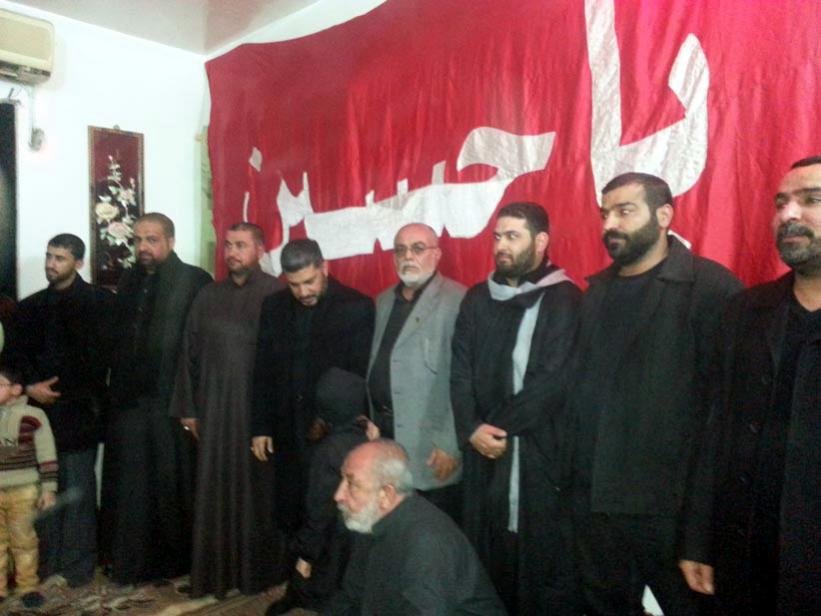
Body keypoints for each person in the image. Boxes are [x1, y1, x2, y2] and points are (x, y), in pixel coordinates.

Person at [567, 172, 742, 616]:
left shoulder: (711, 288)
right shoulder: (595, 294)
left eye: (625, 211)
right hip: (597, 505)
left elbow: (725, 414)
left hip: (670, 513)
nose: (610, 224)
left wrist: (701, 529)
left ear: (664, 216)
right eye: (605, 213)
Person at [680, 156, 821, 615]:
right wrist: (698, 538)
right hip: (747, 557)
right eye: (781, 203)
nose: (789, 214)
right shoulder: (746, 311)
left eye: (811, 199)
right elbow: (714, 430)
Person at [450, 202, 581, 614]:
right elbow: (460, 370)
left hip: (536, 450)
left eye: (512, 236)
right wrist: (471, 429)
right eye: (497, 237)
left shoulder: (564, 299)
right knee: (484, 548)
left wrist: (496, 430)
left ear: (540, 241)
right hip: (482, 449)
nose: (501, 246)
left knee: (533, 560)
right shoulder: (477, 298)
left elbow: (552, 382)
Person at [169, 223, 283, 598]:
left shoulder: (277, 294)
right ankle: (215, 574)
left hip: (257, 415)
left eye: (241, 245)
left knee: (257, 494)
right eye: (228, 245)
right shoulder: (207, 295)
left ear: (260, 250)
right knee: (214, 491)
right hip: (214, 412)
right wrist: (188, 410)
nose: (232, 252)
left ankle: (256, 574)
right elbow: (188, 352)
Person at [100, 213, 212, 584]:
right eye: (138, 240)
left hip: (171, 403)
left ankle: (173, 564)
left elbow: (201, 349)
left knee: (169, 483)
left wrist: (192, 404)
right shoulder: (130, 279)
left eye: (152, 239)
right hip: (130, 402)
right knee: (130, 485)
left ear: (171, 241)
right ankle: (130, 562)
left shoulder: (195, 280)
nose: (143, 247)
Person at [251, 238, 374, 540]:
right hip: (286, 427)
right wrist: (260, 426)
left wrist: (339, 423)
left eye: (310, 282)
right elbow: (263, 370)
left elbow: (357, 377)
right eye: (294, 285)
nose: (303, 292)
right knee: (290, 508)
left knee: (331, 511)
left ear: (324, 268)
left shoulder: (356, 306)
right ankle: (296, 564)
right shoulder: (273, 306)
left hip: (334, 432)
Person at [16, 233, 113, 587]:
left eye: (59, 258)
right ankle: (45, 566)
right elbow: (15, 359)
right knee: (42, 490)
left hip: (80, 413)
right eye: (49, 256)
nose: (51, 264)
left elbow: (104, 359)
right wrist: (30, 388)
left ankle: (77, 569)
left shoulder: (101, 303)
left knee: (78, 491)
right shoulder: (29, 308)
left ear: (79, 263)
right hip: (38, 417)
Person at [324, 439, 506, 615]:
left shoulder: (427, 541)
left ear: (386, 494)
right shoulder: (371, 521)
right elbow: (351, 596)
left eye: (352, 484)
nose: (338, 495)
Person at [367, 223, 466, 521]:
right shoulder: (383, 301)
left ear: (437, 254)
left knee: (433, 530)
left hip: (431, 446)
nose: (408, 256)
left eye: (418, 248)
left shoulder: (458, 300)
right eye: (400, 250)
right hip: (385, 438)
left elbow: (466, 379)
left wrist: (450, 443)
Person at [266, 368, 371, 615]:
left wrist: (305, 556)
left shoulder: (327, 452)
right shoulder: (370, 442)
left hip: (336, 548)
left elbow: (319, 512)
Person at [0, 364, 57, 609]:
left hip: (24, 490)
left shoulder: (34, 416)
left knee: (24, 541)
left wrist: (49, 489)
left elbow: (47, 454)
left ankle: (27, 587)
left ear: (16, 389)